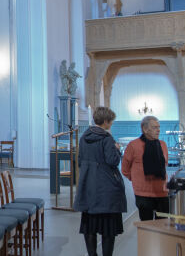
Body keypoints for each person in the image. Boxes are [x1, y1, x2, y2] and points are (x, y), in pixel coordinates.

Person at [74, 106, 126, 256]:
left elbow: (80, 160)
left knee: (90, 225)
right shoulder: (106, 138)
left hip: (88, 185)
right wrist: (117, 149)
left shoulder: (84, 137)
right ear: (105, 121)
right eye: (111, 122)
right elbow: (112, 161)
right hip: (106, 188)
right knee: (108, 227)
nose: (111, 124)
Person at [122, 116, 169, 221]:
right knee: (146, 227)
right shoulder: (133, 145)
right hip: (143, 193)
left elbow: (165, 164)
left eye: (159, 127)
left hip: (161, 192)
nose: (158, 130)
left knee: (163, 226)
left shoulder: (163, 145)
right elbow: (125, 169)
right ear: (144, 129)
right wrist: (137, 179)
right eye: (154, 127)